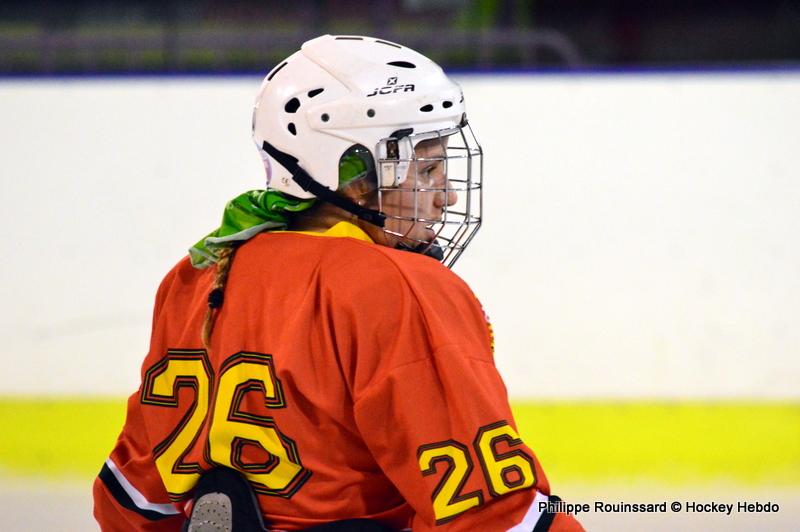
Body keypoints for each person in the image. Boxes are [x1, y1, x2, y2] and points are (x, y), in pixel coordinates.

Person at [93, 34, 583, 532]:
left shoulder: (197, 275)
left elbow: (132, 500)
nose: (448, 196)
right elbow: (491, 514)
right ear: (355, 177)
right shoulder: (398, 286)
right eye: (428, 168)